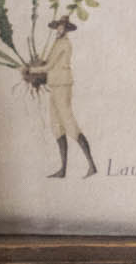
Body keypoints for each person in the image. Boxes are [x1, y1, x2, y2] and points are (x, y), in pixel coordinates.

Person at [26, 13, 96, 179]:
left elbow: (49, 65)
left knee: (69, 123)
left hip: (63, 86)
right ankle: (63, 169)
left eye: (62, 27)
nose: (59, 29)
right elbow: (48, 63)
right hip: (55, 85)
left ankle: (92, 166)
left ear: (66, 30)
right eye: (58, 26)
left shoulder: (64, 44)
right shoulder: (57, 43)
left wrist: (31, 70)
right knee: (56, 125)